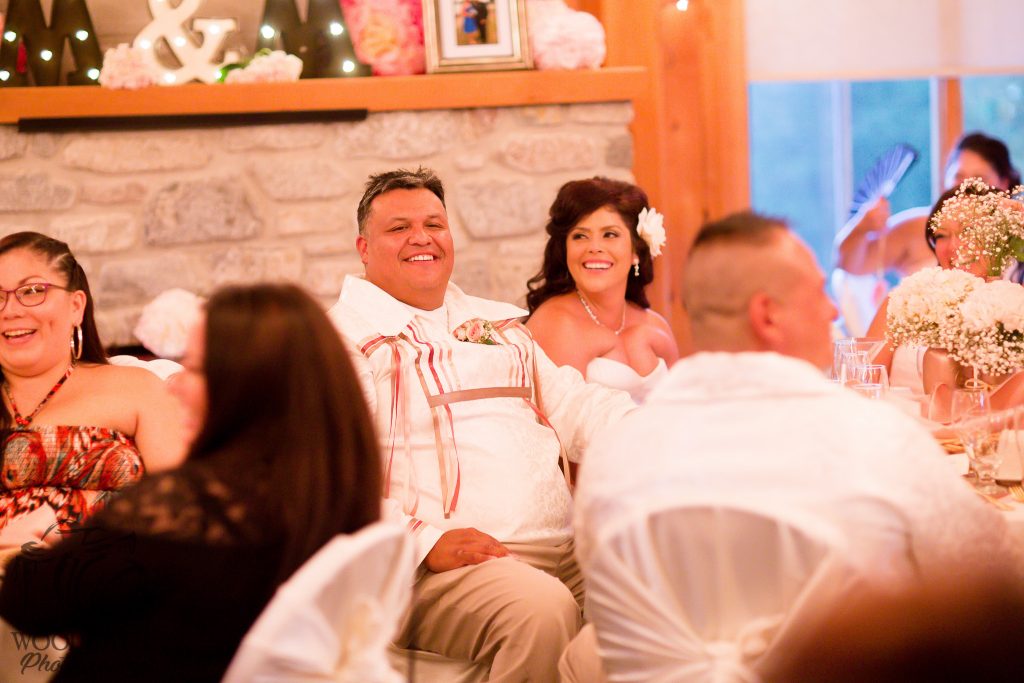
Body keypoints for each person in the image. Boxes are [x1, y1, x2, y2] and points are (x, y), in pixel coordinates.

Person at [560, 212, 1014, 682]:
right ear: (767, 315)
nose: (833, 311)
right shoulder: (879, 442)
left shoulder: (614, 459)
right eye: (818, 292)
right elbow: (990, 575)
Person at [328, 167, 635, 682]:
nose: (422, 237)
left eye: (434, 224)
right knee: (541, 611)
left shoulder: (497, 324)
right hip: (431, 566)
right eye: (399, 228)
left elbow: (572, 402)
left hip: (564, 545)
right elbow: (328, 478)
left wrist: (656, 433)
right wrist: (425, 542)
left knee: (654, 587)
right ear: (363, 248)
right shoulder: (344, 340)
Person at [0, 283, 383, 681]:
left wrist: (28, 544)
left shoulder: (189, 507)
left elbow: (31, 603)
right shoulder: (338, 490)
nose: (175, 382)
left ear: (248, 387)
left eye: (196, 369)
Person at [0, 231, 185, 552]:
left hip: (118, 569)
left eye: (32, 291)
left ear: (76, 306)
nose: (10, 310)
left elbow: (184, 512)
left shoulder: (137, 388)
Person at [833, 132, 1020, 334]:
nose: (966, 187)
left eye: (979, 179)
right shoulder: (919, 227)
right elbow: (848, 264)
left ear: (1004, 183)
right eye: (958, 176)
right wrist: (862, 226)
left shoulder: (1018, 233)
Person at [526, 177, 678, 402]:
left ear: (636, 251)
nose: (594, 247)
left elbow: (683, 410)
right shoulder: (557, 324)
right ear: (565, 250)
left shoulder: (657, 325)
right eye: (580, 236)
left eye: (610, 234)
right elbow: (561, 420)